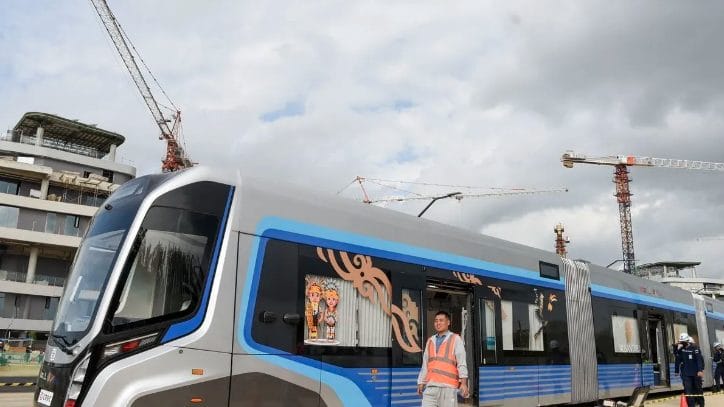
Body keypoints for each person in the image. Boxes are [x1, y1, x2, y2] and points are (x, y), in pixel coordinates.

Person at [417, 311, 469, 407]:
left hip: (448, 388)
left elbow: (462, 363)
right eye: (436, 321)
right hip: (430, 388)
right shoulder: (430, 341)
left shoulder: (455, 339)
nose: (438, 323)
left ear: (448, 322)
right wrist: (421, 382)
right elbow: (425, 365)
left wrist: (464, 383)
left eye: (441, 320)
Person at [674, 333, 705, 407]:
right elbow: (677, 357)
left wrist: (700, 370)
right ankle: (691, 405)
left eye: (683, 341)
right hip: (686, 374)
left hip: (696, 373)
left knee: (698, 389)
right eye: (681, 341)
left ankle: (701, 404)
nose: (682, 343)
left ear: (687, 341)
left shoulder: (695, 348)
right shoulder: (682, 349)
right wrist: (675, 347)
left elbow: (699, 360)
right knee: (688, 391)